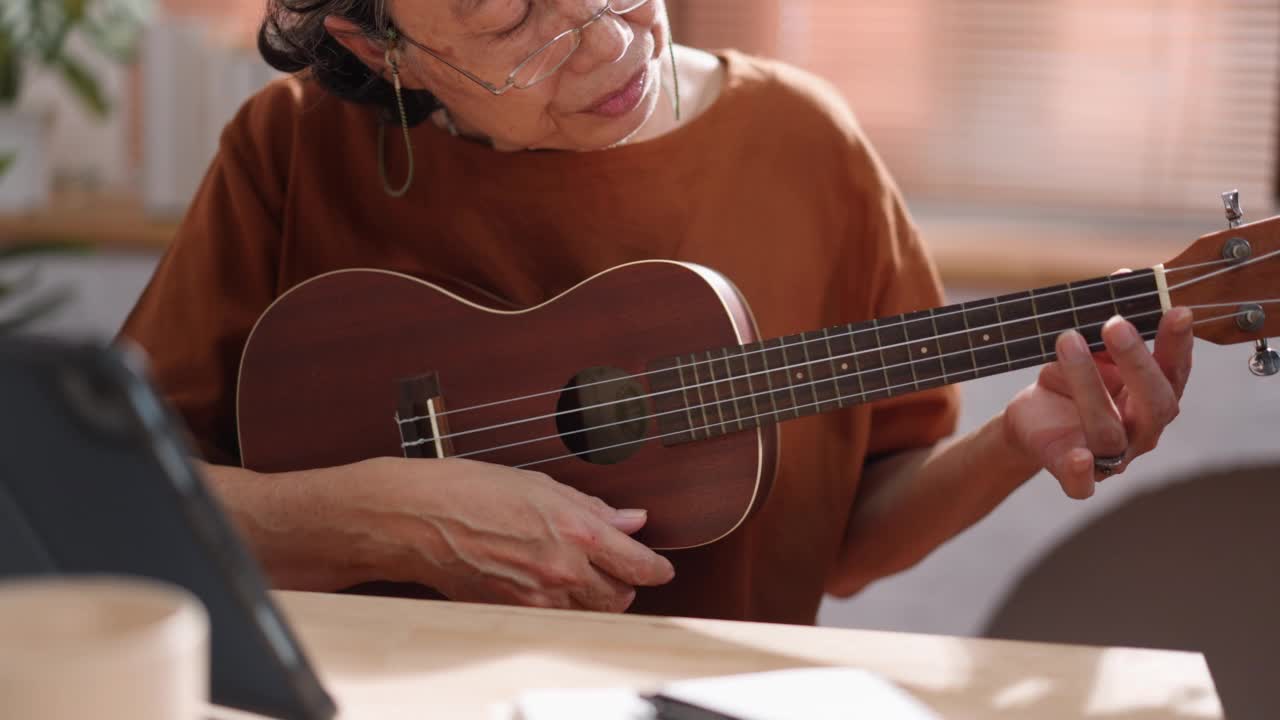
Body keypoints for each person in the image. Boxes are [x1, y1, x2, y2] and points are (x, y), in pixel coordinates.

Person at [119, 0, 1194, 624]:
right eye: (513, 23)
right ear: (375, 46)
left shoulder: (806, 148)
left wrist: (1018, 440)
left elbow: (847, 541)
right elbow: (112, 506)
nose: (606, 42)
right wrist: (391, 515)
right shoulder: (288, 152)